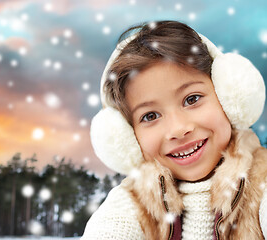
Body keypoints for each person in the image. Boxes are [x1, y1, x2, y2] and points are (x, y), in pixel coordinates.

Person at [81, 20, 267, 239]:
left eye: (192, 99)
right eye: (150, 116)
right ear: (128, 136)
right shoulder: (131, 205)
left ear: (227, 96)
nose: (178, 129)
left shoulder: (261, 181)